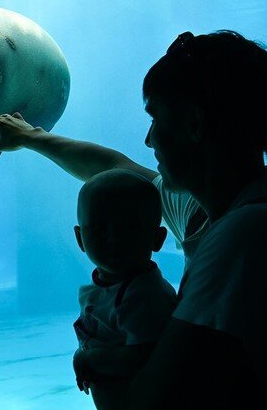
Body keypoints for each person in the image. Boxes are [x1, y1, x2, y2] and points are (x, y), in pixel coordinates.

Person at [0, 30, 267, 409]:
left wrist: (95, 358)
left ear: (193, 124)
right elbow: (113, 168)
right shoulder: (211, 210)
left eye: (155, 118)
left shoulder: (244, 238)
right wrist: (32, 138)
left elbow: (156, 398)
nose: (148, 139)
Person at [71, 169, 176, 410]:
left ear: (157, 239)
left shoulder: (144, 296)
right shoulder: (106, 285)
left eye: (130, 228)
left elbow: (145, 357)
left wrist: (87, 359)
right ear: (80, 238)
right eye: (98, 228)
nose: (113, 238)